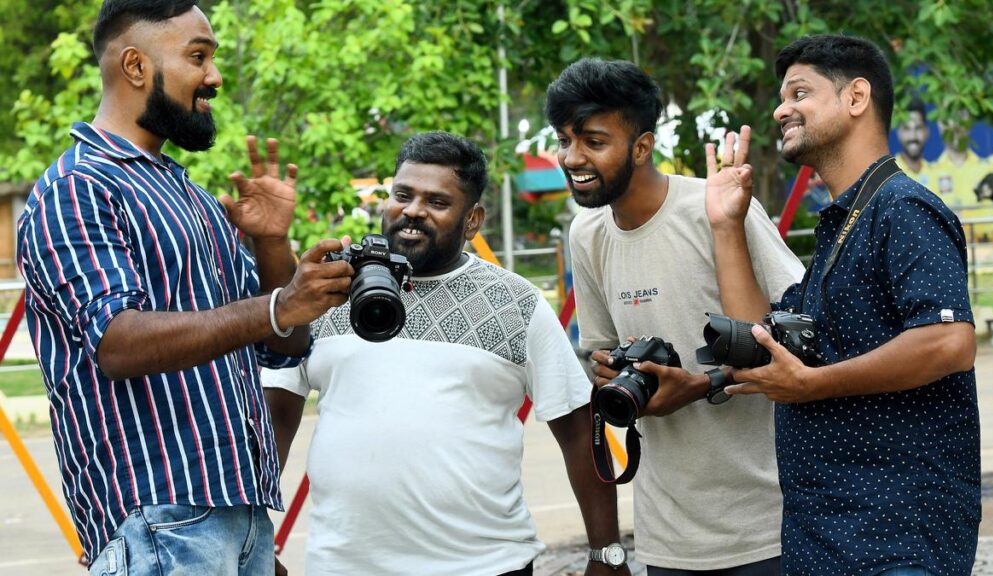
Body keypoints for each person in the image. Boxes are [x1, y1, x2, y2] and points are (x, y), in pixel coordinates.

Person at [15, 1, 354, 573]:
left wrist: (272, 248)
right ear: (135, 66)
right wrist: (279, 303)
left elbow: (283, 345)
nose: (215, 78)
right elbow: (118, 343)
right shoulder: (76, 188)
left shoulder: (191, 196)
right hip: (157, 518)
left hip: (236, 515)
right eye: (198, 57)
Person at [262, 131, 625, 576]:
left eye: (436, 202)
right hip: (342, 566)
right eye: (402, 195)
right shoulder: (326, 291)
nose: (412, 210)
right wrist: (258, 539)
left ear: (472, 220)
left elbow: (577, 430)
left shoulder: (516, 302)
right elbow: (275, 416)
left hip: (486, 567)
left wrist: (606, 553)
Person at [706, 34, 980, 575]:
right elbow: (761, 340)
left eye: (800, 92)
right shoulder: (844, 222)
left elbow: (950, 341)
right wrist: (726, 224)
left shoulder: (901, 208)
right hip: (826, 535)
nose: (782, 109)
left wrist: (815, 384)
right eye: (782, 97)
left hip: (898, 537)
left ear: (857, 98)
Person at [546, 58, 804, 575]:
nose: (573, 157)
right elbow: (602, 353)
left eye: (594, 141)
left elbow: (797, 334)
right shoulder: (587, 234)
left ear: (641, 147)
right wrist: (613, 375)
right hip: (667, 536)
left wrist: (701, 382)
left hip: (767, 522)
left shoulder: (717, 207)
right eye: (565, 139)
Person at [894, 96, 933, 184]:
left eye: (918, 128)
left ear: (926, 131)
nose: (913, 136)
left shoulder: (937, 174)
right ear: (898, 132)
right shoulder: (889, 175)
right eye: (907, 128)